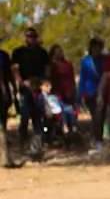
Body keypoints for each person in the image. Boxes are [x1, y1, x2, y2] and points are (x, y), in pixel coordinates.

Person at [10, 25, 50, 156]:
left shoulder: (42, 52)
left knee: (38, 117)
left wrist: (45, 82)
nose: (31, 39)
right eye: (28, 36)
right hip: (25, 88)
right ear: (25, 37)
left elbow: (47, 69)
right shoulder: (18, 52)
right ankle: (22, 145)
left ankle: (36, 148)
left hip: (39, 87)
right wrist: (21, 83)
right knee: (25, 117)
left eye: (33, 36)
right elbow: (15, 69)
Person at [77, 38, 106, 152]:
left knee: (101, 116)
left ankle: (99, 138)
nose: (97, 50)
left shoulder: (105, 60)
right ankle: (98, 141)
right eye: (95, 48)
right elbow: (82, 78)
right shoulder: (85, 61)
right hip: (90, 93)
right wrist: (79, 95)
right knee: (96, 116)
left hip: (102, 91)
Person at [47, 45, 79, 139]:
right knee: (61, 113)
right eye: (57, 52)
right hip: (57, 93)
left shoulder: (68, 64)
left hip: (69, 92)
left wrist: (74, 90)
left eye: (60, 51)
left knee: (72, 112)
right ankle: (63, 131)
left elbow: (71, 78)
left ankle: (72, 130)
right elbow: (49, 78)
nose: (59, 53)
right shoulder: (52, 65)